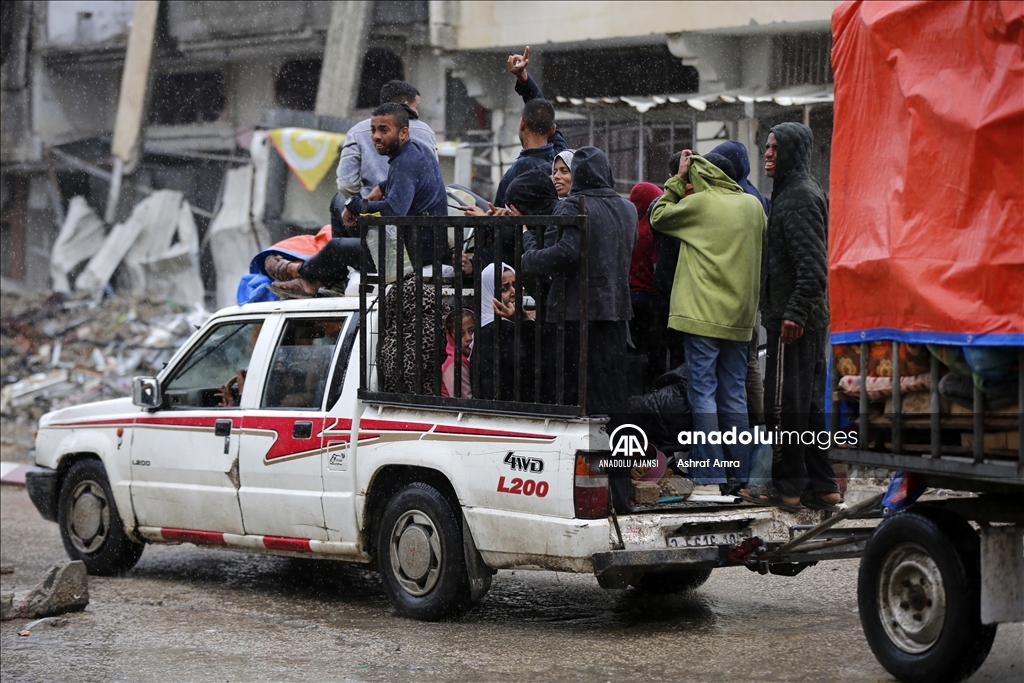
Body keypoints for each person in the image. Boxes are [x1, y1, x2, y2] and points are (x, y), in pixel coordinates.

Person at [520, 146, 636, 511]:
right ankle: (621, 492)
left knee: (581, 407)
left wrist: (527, 251)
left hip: (575, 317)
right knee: (614, 406)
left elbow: (566, 252)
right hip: (616, 316)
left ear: (581, 175)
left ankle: (591, 491)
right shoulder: (628, 208)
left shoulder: (573, 205)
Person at [650, 153, 766, 495]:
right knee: (734, 393)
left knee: (703, 392)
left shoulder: (700, 204)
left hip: (702, 315)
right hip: (740, 317)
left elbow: (657, 214)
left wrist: (676, 180)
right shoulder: (753, 206)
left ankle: (712, 472)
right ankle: (740, 473)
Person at [265, 103, 447, 294]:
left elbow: (394, 210)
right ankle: (330, 278)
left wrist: (355, 204)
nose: (376, 136)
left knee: (336, 246)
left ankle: (301, 272)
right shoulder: (417, 150)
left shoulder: (404, 162)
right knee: (338, 202)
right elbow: (410, 182)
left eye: (384, 130)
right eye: (374, 130)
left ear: (403, 133)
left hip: (409, 255)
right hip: (408, 240)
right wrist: (381, 187)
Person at [753, 122, 840, 511]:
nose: (768, 154)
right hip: (806, 316)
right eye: (767, 148)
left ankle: (786, 487)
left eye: (774, 148)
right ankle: (822, 484)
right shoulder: (794, 192)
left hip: (795, 322)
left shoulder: (799, 197)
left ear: (792, 152)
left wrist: (794, 312)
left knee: (785, 406)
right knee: (807, 406)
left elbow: (814, 266)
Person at [710, 140, 770, 429]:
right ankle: (755, 429)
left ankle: (751, 430)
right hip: (749, 295)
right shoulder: (756, 197)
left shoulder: (739, 198)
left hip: (734, 295)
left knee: (742, 368)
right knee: (747, 365)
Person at [336, 80, 437, 200]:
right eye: (417, 107)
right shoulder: (425, 131)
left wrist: (361, 206)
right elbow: (433, 176)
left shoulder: (357, 131)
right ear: (405, 104)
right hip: (416, 210)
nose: (376, 137)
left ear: (403, 133)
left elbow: (346, 183)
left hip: (373, 207)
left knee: (339, 201)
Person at [476, 263, 535, 402]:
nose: (514, 292)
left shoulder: (488, 326)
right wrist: (526, 322)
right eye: (504, 288)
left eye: (515, 285)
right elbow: (533, 365)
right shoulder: (498, 330)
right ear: (489, 294)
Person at [627, 182, 666, 394]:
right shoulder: (654, 230)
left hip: (632, 300)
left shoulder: (629, 229)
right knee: (655, 357)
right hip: (653, 301)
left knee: (635, 356)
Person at [441, 309, 474, 399]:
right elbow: (466, 403)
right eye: (461, 334)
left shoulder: (471, 358)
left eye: (472, 331)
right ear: (451, 337)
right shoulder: (455, 365)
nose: (469, 338)